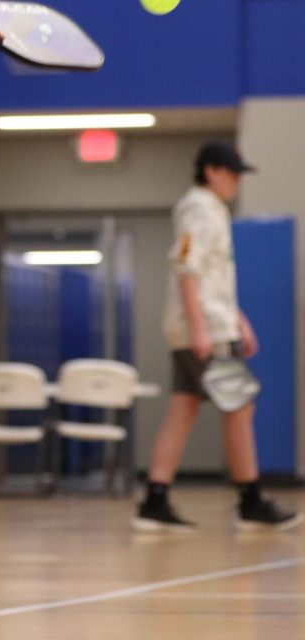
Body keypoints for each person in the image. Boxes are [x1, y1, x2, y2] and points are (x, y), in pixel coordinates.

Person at [133, 140, 303, 534]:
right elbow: (187, 269)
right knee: (240, 408)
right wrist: (200, 327)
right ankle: (251, 499)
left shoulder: (212, 211)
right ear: (211, 171)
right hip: (205, 329)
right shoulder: (200, 210)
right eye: (232, 174)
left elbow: (213, 280)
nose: (237, 182)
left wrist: (239, 319)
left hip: (211, 323)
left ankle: (155, 499)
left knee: (185, 407)